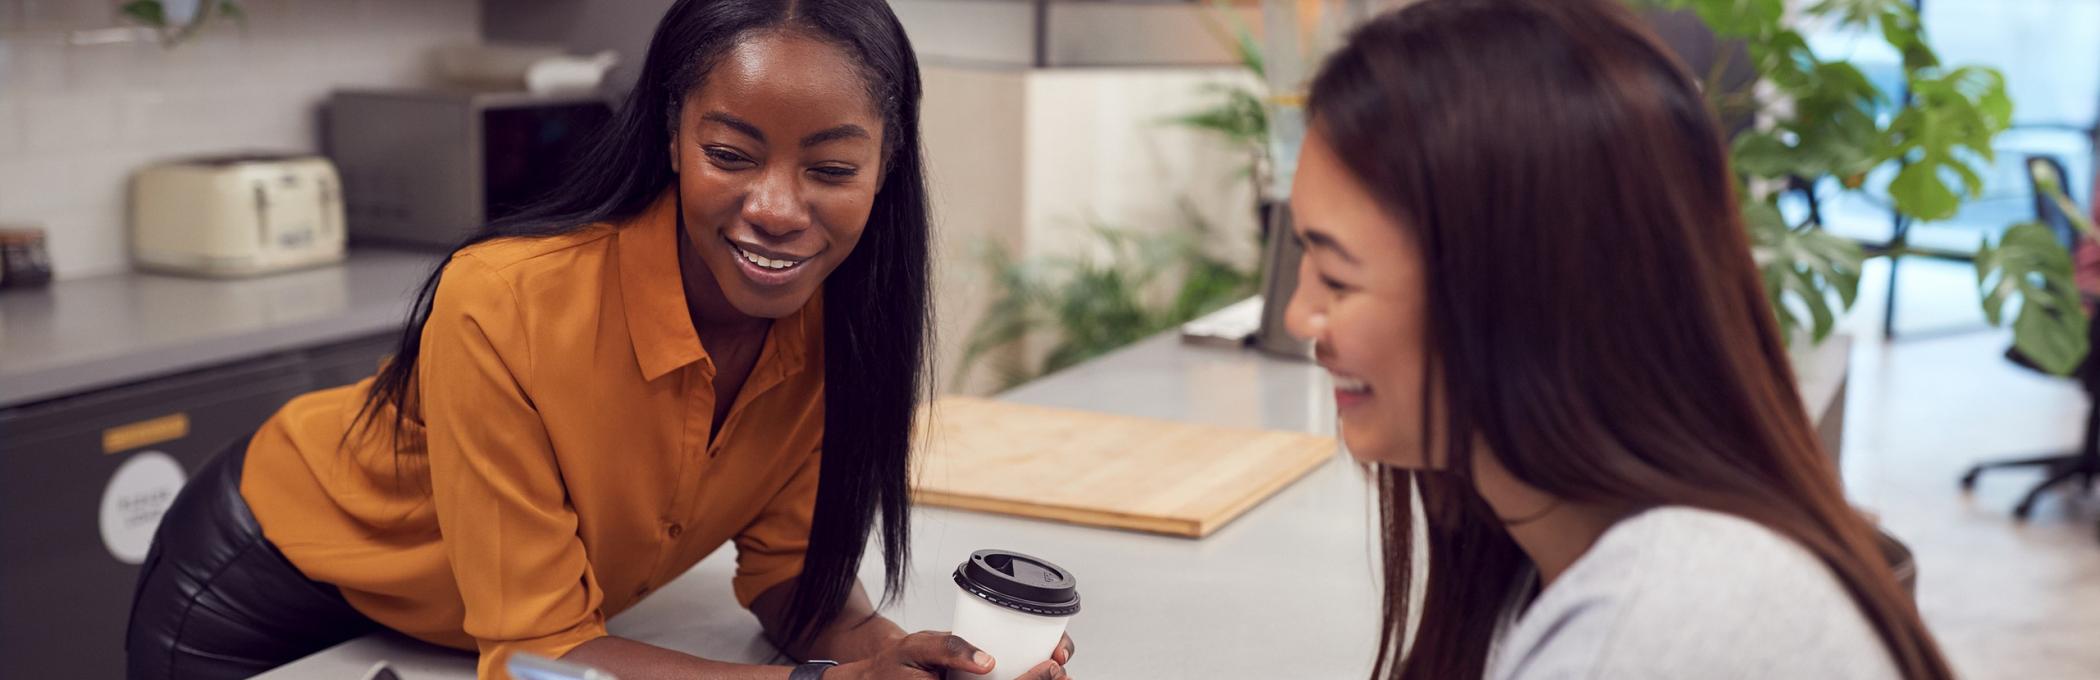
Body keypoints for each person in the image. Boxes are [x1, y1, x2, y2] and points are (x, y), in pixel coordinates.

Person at [124, 1, 1073, 679]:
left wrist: (914, 661)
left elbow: (790, 580)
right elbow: (537, 650)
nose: (777, 208)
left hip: (448, 639)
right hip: (270, 596)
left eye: (829, 167)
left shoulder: (839, 324)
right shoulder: (505, 301)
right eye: (730, 155)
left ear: (886, 163)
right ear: (671, 135)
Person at [1281, 1, 1953, 678]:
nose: (1298, 315)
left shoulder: (1663, 627)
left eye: (1336, 278)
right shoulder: (1542, 549)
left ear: (1523, 290)